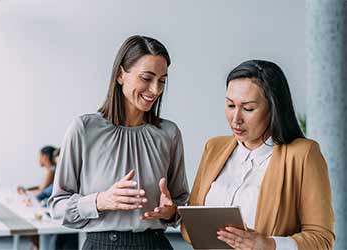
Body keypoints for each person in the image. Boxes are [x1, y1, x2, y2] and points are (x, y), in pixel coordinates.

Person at [49, 35, 189, 250]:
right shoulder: (84, 130)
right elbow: (57, 207)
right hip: (100, 245)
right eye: (146, 78)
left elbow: (182, 202)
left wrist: (171, 212)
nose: (155, 90)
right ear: (120, 75)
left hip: (155, 245)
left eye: (162, 81)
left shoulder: (168, 133)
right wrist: (100, 201)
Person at [181, 60, 335, 249]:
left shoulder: (303, 154)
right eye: (230, 105)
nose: (236, 119)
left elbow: (322, 239)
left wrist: (269, 244)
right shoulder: (214, 148)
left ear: (273, 108)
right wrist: (171, 213)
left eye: (248, 109)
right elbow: (190, 231)